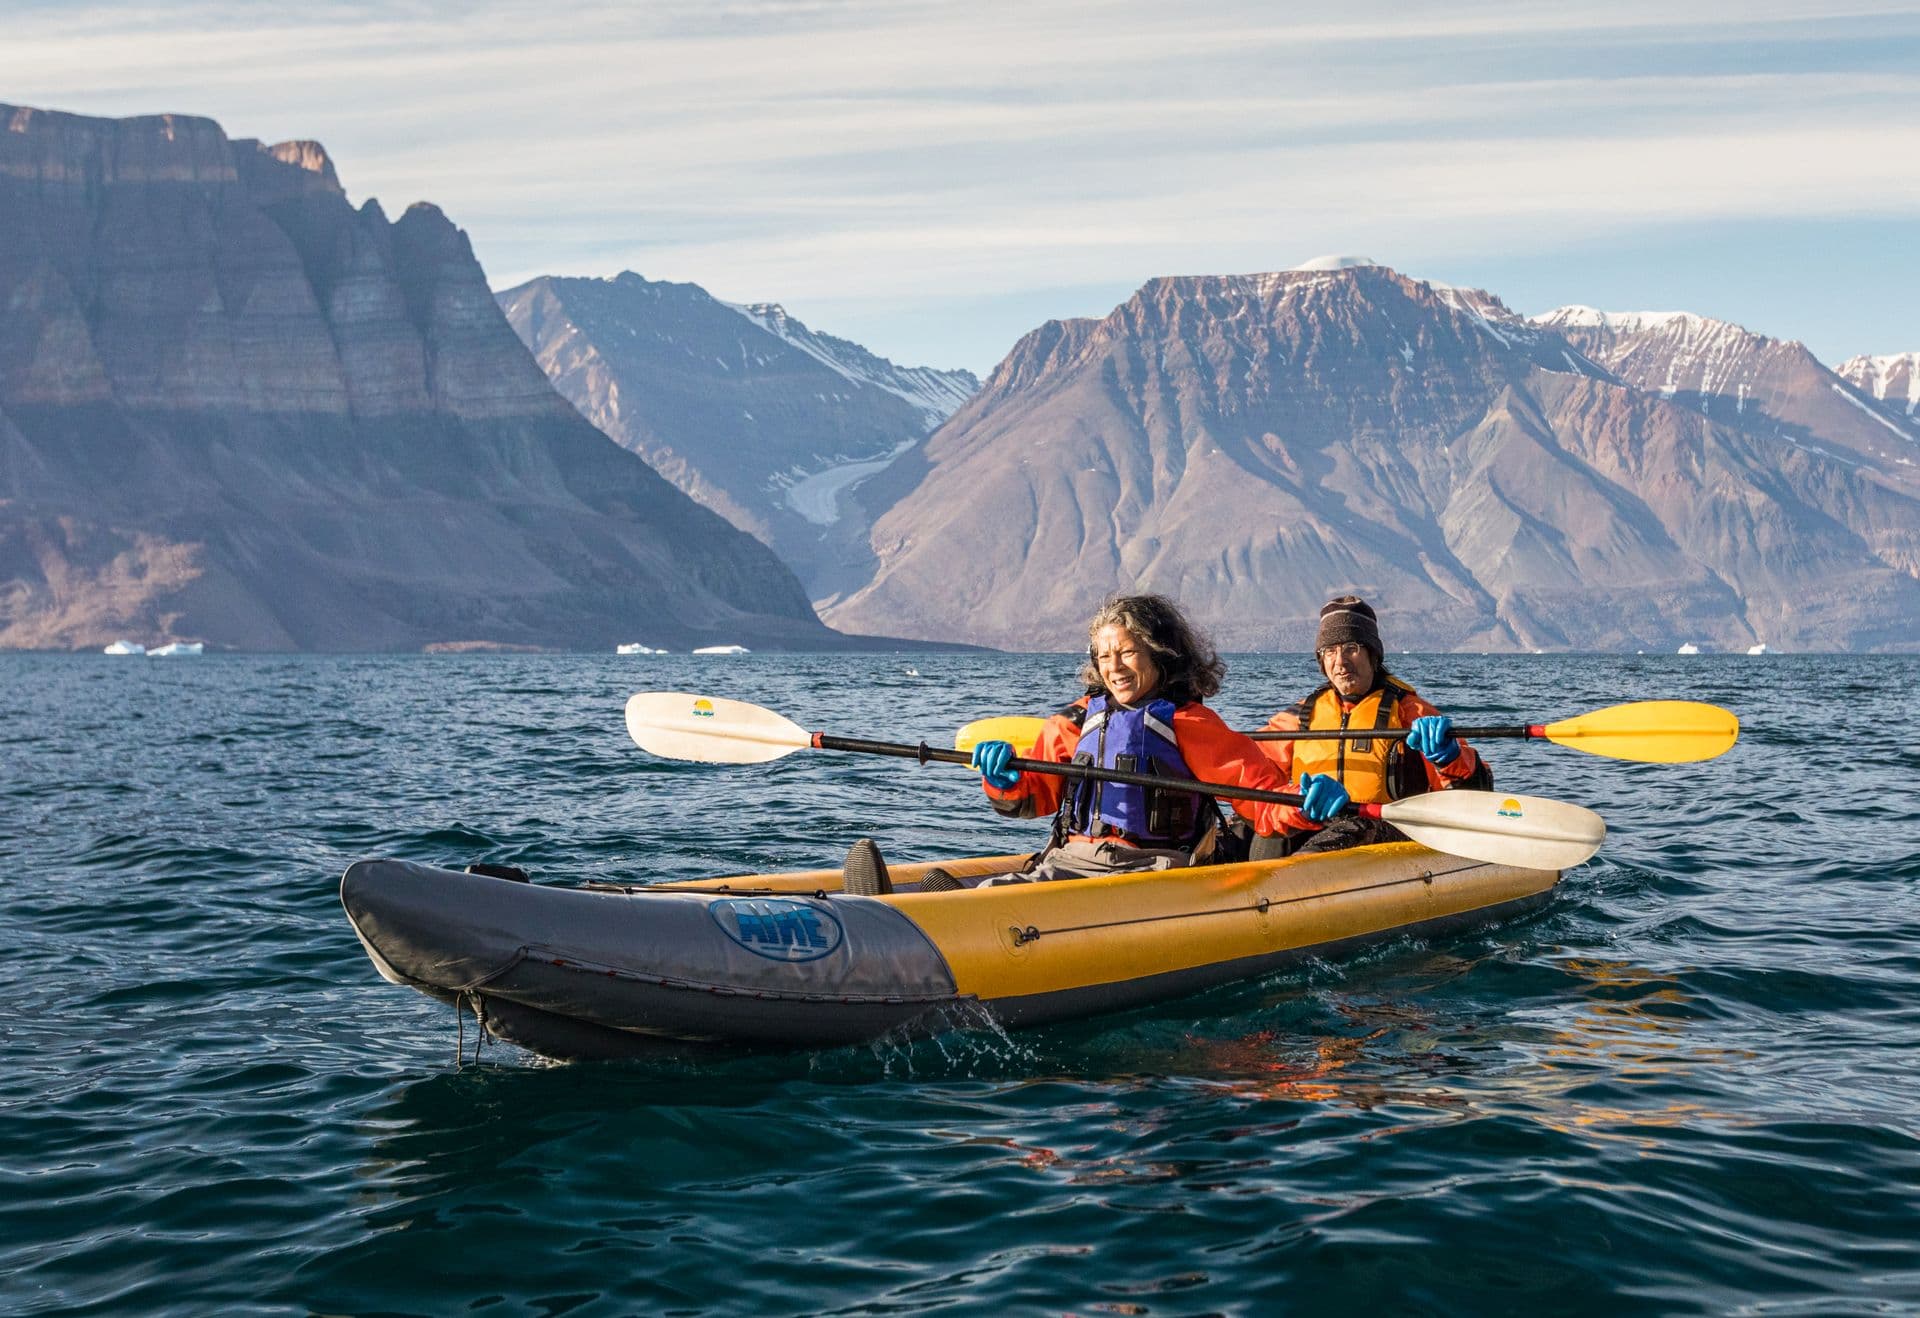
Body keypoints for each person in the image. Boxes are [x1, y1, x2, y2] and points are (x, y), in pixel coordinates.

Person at [957, 593, 1349, 885]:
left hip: (1155, 874)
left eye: (1127, 653)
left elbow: (1262, 800)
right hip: (1071, 863)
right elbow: (1031, 798)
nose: (1114, 668)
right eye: (1104, 656)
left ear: (1160, 656)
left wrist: (1304, 804)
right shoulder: (1075, 721)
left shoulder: (1189, 723)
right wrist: (1002, 780)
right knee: (982, 895)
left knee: (992, 894)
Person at [1250, 595, 1490, 859]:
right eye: (1330, 651)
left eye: (1351, 647)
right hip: (1318, 826)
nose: (1340, 662)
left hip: (1388, 829)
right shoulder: (1301, 715)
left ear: (1373, 654)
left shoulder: (1410, 712)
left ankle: (1292, 880)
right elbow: (1250, 771)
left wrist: (1451, 757)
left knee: (1355, 827)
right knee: (1261, 830)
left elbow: (1475, 794)